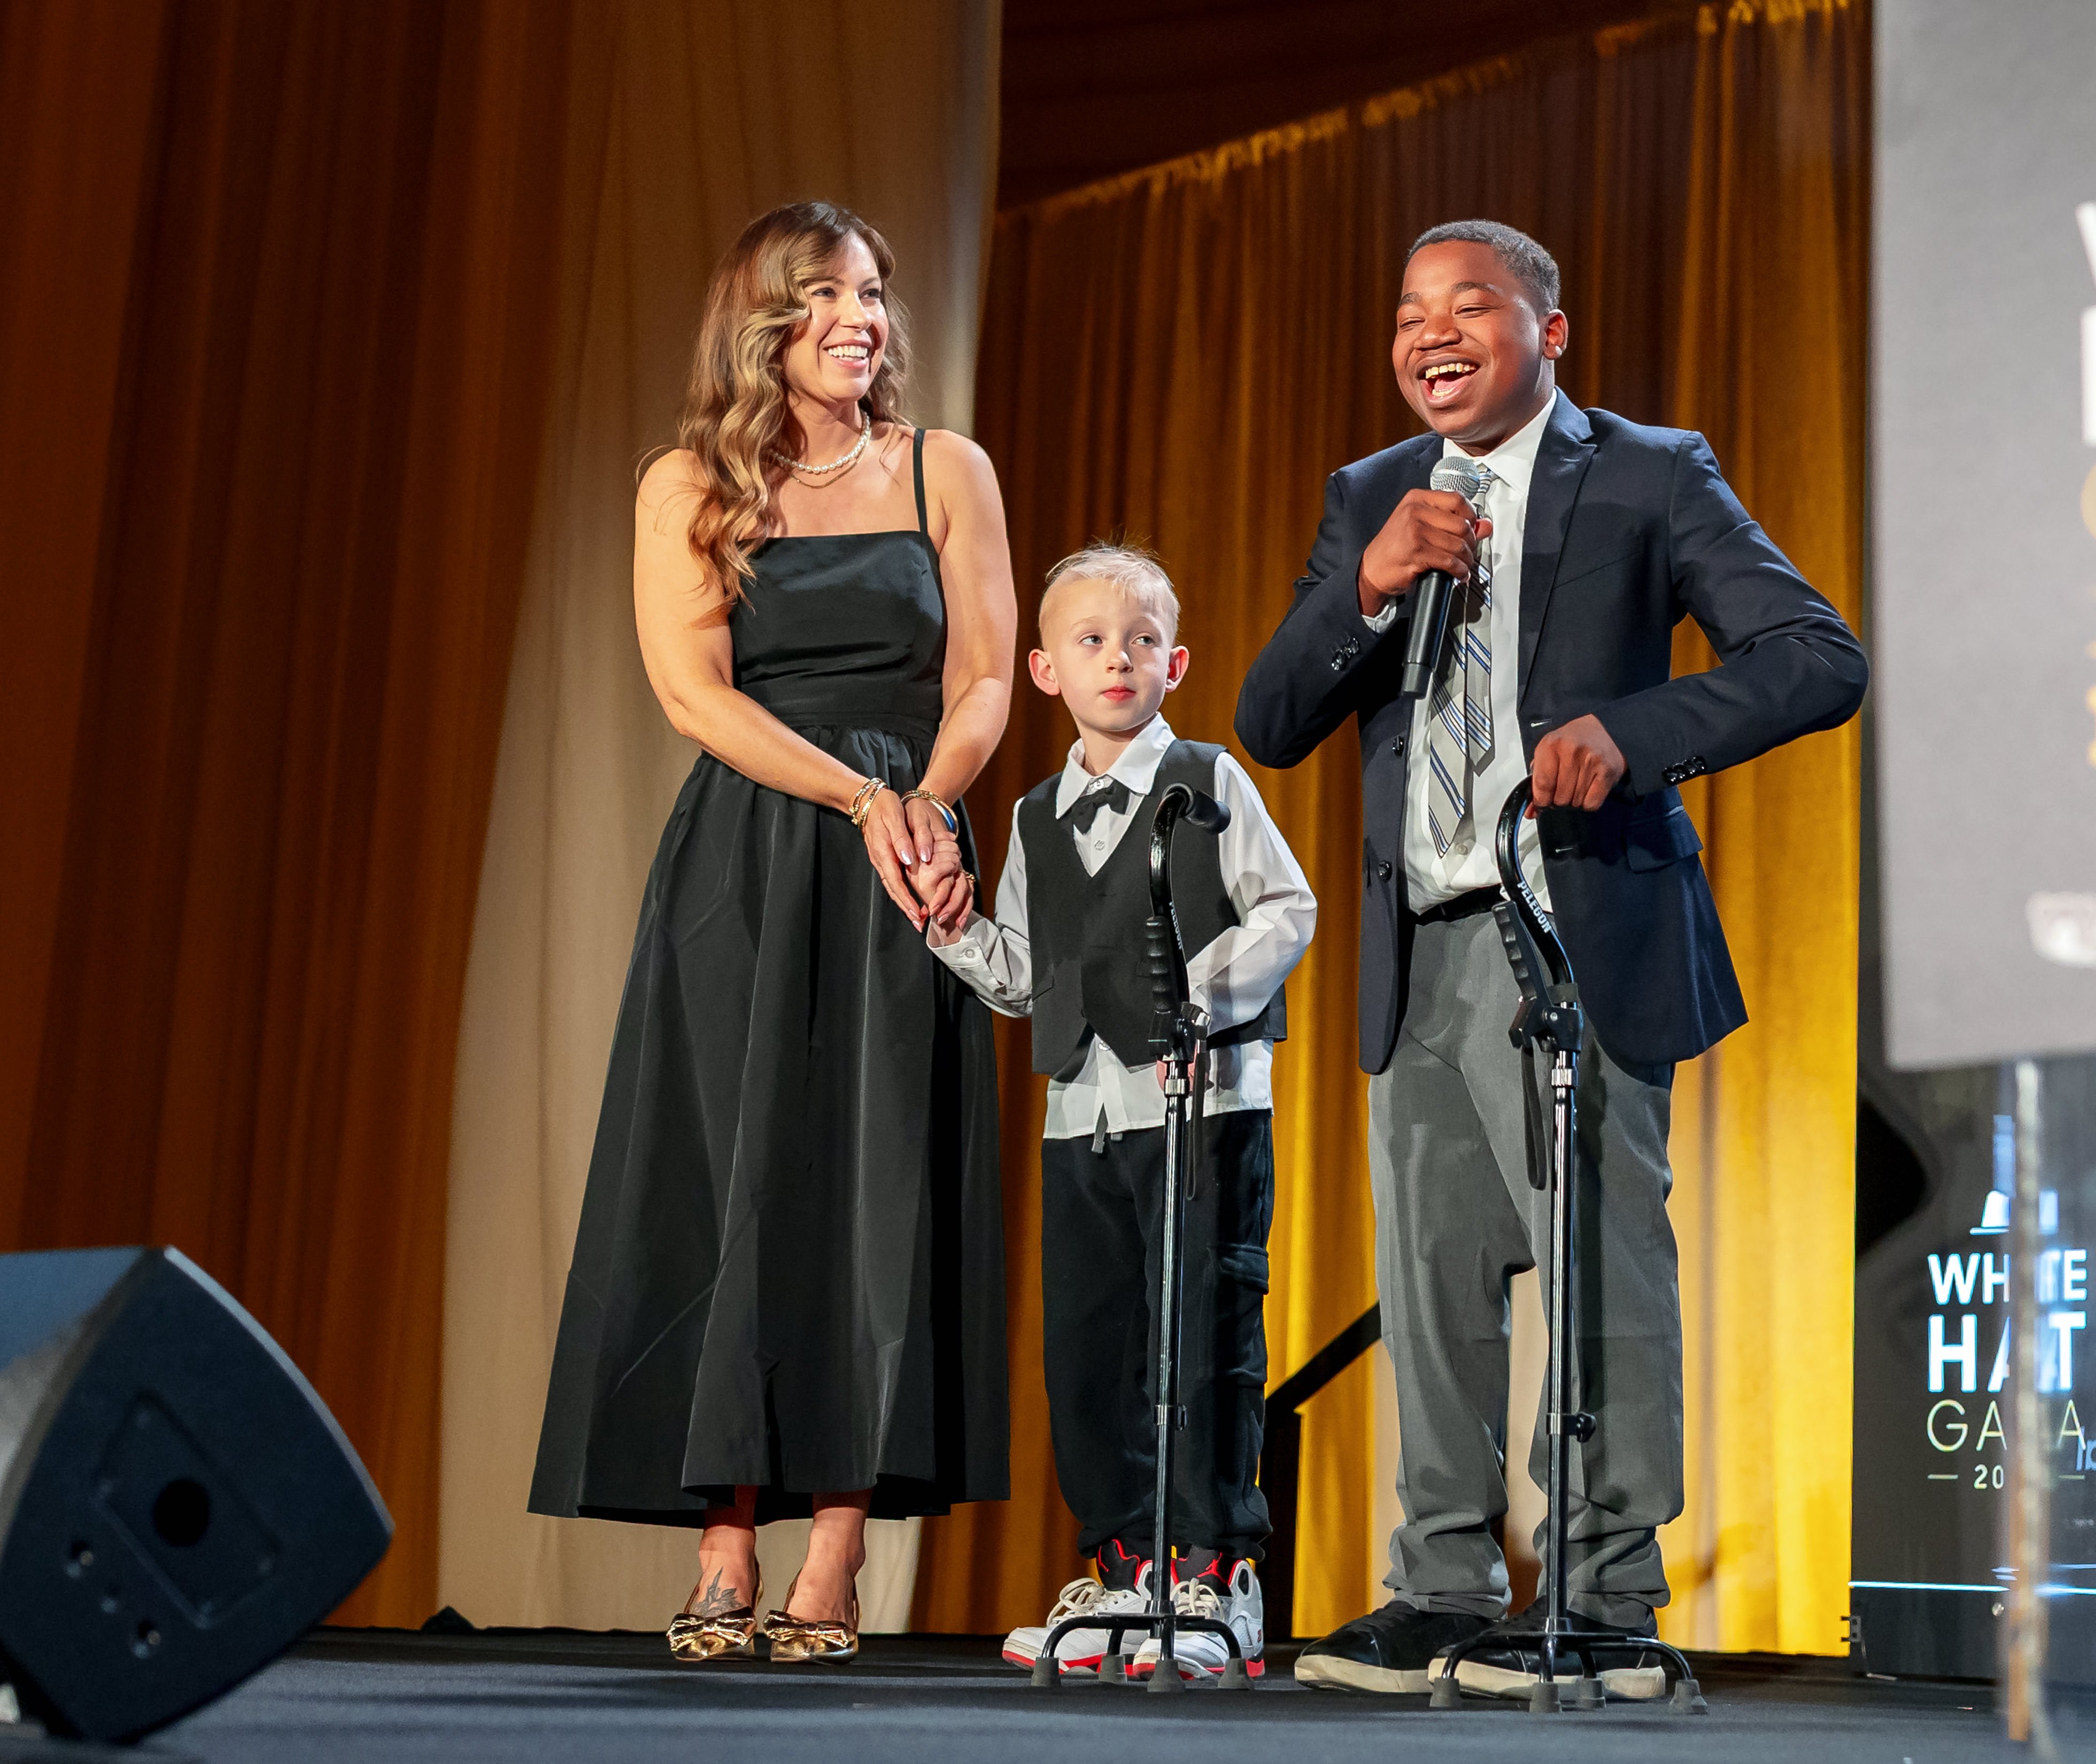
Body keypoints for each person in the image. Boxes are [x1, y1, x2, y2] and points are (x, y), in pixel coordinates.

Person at [1234, 219, 1867, 1698]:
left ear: (1550, 332)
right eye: (1407, 311)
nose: (1429, 333)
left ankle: (1602, 1594)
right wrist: (1368, 586)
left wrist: (1636, 736)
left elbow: (1811, 653)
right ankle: (1441, 1587)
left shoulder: (1648, 469)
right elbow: (1269, 719)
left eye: (1469, 305)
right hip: (1423, 943)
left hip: (1574, 933)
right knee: (1434, 1282)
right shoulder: (1370, 496)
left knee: (1598, 1268)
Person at [529, 202, 1017, 1665]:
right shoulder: (687, 481)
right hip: (751, 848)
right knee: (732, 1176)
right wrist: (860, 798)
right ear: (764, 326)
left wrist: (919, 812)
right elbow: (695, 694)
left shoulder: (947, 469)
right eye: (825, 299)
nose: (862, 318)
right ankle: (724, 1536)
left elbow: (987, 675)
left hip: (903, 847)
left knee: (872, 1178)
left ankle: (838, 1548)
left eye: (872, 294)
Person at [926, 546, 1316, 1680]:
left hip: (1198, 1112)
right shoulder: (1038, 816)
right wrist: (951, 926)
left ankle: (1213, 1575)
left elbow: (1285, 907)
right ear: (1045, 670)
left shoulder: (1206, 779)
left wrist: (1194, 994)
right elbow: (1025, 975)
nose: (1118, 659)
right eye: (1092, 641)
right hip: (1082, 1122)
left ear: (1175, 662)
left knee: (1198, 1338)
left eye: (1141, 640)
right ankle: (1119, 1570)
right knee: (1091, 1345)